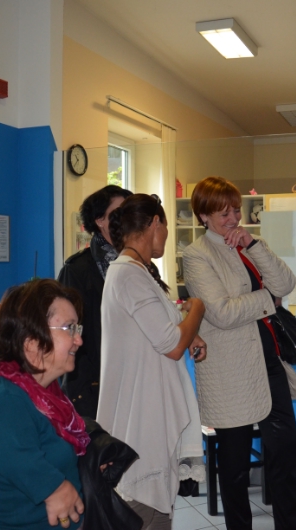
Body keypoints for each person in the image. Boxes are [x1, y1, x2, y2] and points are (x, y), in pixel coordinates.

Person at [183, 176, 296, 530]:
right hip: (229, 372)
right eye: (224, 213)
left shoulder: (247, 245)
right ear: (204, 216)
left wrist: (253, 244)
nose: (234, 218)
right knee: (234, 467)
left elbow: (286, 283)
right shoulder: (196, 255)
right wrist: (268, 300)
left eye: (236, 210)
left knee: (285, 453)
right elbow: (221, 313)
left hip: (269, 364)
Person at [97, 193, 207, 529]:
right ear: (155, 223)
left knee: (158, 506)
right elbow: (171, 344)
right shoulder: (128, 274)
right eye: (166, 227)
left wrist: (187, 329)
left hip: (150, 405)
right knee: (145, 505)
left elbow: (159, 330)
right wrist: (197, 309)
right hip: (141, 414)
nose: (167, 235)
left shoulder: (137, 271)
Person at [0, 279, 89, 530]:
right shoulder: (3, 402)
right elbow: (23, 462)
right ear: (31, 343)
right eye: (69, 328)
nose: (79, 340)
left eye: (77, 328)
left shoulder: (45, 393)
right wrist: (56, 489)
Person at [58, 185, 132, 418]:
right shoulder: (78, 269)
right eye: (118, 213)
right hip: (95, 384)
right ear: (100, 220)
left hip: (133, 377)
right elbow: (70, 332)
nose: (126, 220)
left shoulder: (139, 264)